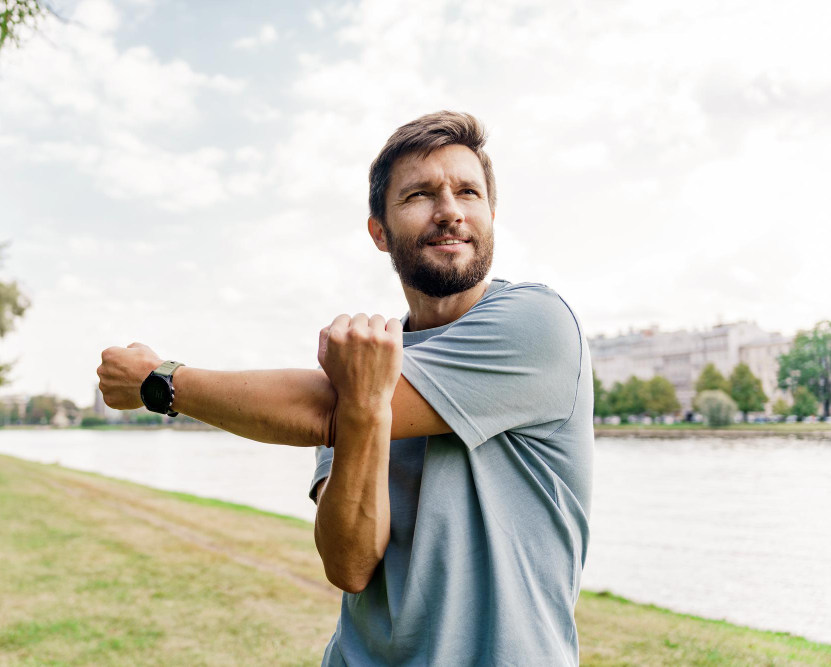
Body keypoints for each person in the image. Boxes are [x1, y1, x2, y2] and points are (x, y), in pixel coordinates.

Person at [97, 111, 593, 666]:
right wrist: (361, 405)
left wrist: (158, 381)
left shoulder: (537, 322)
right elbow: (349, 566)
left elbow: (318, 409)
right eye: (420, 195)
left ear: (491, 216)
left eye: (468, 192)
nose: (450, 211)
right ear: (379, 232)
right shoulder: (363, 361)